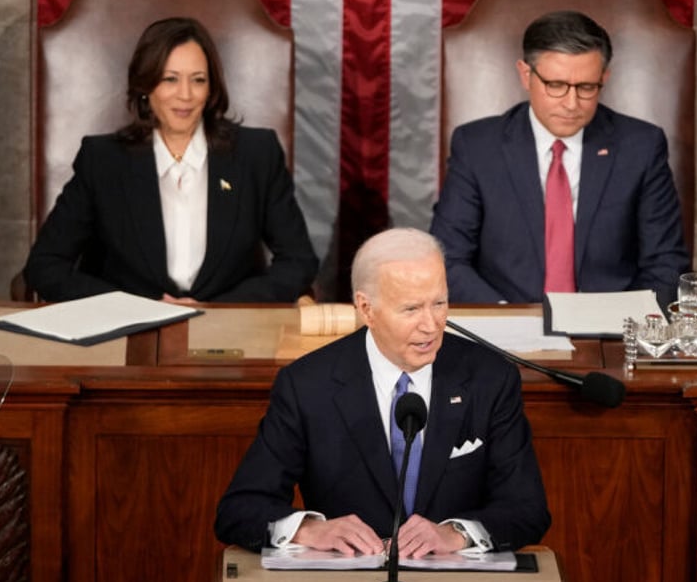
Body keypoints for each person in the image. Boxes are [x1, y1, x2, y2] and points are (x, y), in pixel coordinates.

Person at [214, 227, 550, 558]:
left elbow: (527, 509)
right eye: (411, 309)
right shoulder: (307, 386)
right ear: (366, 309)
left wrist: (456, 533)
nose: (431, 325)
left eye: (439, 303)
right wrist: (310, 530)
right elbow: (239, 510)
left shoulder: (490, 378)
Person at [23, 17, 318, 303]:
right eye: (170, 79)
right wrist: (132, 307)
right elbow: (45, 265)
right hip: (128, 333)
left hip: (228, 333)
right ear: (145, 88)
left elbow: (299, 261)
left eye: (198, 80)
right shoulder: (102, 161)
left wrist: (222, 310)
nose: (186, 95)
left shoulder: (256, 153)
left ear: (211, 88)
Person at [430, 10, 690, 309]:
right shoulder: (477, 147)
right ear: (526, 75)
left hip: (609, 332)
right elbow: (447, 257)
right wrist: (507, 318)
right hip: (505, 326)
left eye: (586, 88)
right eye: (556, 85)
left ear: (604, 78)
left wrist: (618, 321)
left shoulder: (640, 146)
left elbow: (666, 261)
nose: (571, 104)